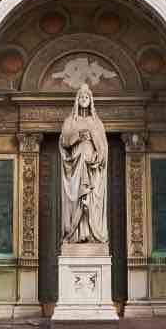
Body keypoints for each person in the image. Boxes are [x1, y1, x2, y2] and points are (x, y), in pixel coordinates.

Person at [59, 84, 108, 244]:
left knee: (90, 199)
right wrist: (78, 137)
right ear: (77, 100)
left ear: (90, 100)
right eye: (81, 97)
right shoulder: (70, 121)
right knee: (76, 199)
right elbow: (64, 141)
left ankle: (92, 233)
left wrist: (96, 156)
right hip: (76, 164)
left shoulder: (96, 122)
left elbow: (103, 146)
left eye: (86, 97)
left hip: (91, 166)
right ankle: (76, 234)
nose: (84, 100)